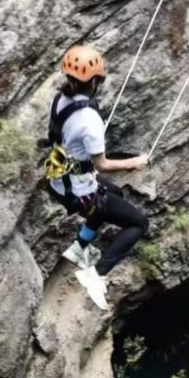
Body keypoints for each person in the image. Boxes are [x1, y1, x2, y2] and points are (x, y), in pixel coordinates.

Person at [43, 44, 149, 309]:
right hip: (79, 191)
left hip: (58, 180)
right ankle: (96, 275)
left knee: (116, 194)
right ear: (93, 81)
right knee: (138, 223)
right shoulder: (90, 120)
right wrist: (136, 163)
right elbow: (101, 165)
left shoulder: (62, 100)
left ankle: (80, 247)